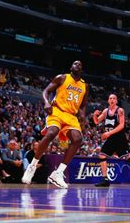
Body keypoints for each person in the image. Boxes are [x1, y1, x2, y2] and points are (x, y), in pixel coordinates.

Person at [22, 60, 88, 189]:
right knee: (52, 133)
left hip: (71, 116)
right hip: (57, 110)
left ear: (82, 69)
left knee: (77, 139)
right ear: (71, 67)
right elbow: (45, 91)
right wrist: (46, 102)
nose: (77, 64)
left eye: (80, 64)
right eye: (75, 63)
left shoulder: (85, 86)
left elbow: (83, 105)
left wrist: (83, 116)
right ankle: (32, 166)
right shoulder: (62, 77)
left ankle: (58, 173)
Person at [93, 94, 130, 188]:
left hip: (119, 137)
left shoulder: (120, 110)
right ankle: (105, 179)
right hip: (110, 138)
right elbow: (96, 122)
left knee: (128, 156)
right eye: (110, 98)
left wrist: (108, 133)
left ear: (116, 101)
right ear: (108, 101)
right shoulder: (105, 111)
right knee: (101, 155)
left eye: (114, 98)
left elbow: (121, 125)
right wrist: (94, 115)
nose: (112, 100)